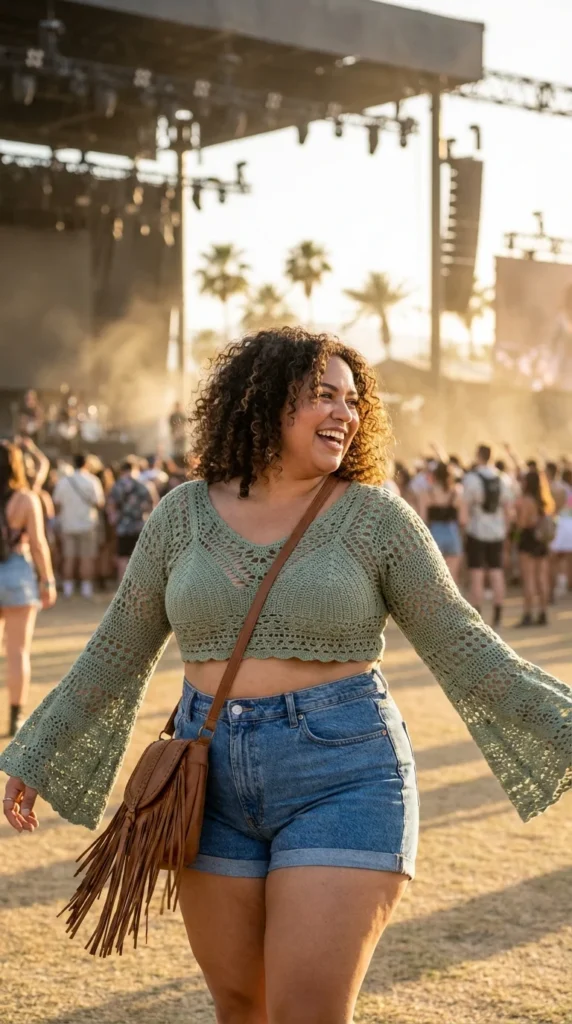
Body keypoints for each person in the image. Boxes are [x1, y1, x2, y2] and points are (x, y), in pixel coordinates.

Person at [2, 329, 572, 1024]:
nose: (344, 413)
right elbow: (116, 648)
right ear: (265, 401)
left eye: (353, 400)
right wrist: (39, 749)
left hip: (346, 773)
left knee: (307, 1011)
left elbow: (466, 646)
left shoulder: (377, 518)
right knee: (241, 1006)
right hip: (206, 779)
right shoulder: (181, 514)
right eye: (323, 395)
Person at [0, 442, 56, 737]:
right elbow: (37, 543)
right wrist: (47, 580)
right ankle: (15, 717)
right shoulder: (25, 499)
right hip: (17, 575)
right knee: (18, 652)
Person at [463, 444, 513, 629]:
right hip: (497, 532)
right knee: (497, 573)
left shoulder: (471, 478)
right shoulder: (503, 478)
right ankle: (498, 617)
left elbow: (464, 511)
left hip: (476, 531)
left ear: (478, 456)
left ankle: (477, 619)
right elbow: (509, 510)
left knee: (476, 574)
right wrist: (506, 531)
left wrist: (464, 530)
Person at [52, 454, 105, 599]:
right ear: (86, 463)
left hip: (68, 523)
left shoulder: (64, 481)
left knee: (68, 557)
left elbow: (57, 502)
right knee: (86, 557)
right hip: (88, 523)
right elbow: (99, 502)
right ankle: (86, 588)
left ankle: (68, 588)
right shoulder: (92, 480)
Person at [514, 470, 555, 627]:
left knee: (529, 579)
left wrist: (515, 518)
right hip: (541, 541)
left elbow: (522, 524)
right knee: (541, 578)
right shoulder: (544, 501)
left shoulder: (526, 501)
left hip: (528, 540)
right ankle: (543, 612)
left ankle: (528, 614)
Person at [106, 457, 156, 582]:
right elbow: (154, 505)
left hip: (123, 526)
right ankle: (141, 585)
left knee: (123, 557)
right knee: (142, 558)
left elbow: (111, 507)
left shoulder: (117, 485)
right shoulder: (145, 484)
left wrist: (114, 522)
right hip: (141, 526)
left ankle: (123, 586)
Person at [418, 461, 466, 583]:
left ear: (434, 475)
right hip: (452, 533)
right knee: (452, 578)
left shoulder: (426, 493)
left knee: (435, 578)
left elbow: (422, 518)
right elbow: (463, 519)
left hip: (434, 534)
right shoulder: (457, 492)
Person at [551, 467, 572, 599]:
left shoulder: (562, 490)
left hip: (563, 524)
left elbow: (557, 507)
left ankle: (561, 582)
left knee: (558, 556)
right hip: (567, 524)